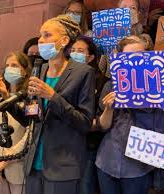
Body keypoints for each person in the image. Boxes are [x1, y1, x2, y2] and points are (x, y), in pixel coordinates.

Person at [2, 14, 95, 194]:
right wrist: (7, 97)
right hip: (34, 162)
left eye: (47, 35)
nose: (41, 40)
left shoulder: (83, 73)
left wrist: (53, 97)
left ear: (64, 40)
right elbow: (30, 118)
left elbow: (84, 122)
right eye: (40, 35)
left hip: (62, 166)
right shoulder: (40, 69)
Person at [96, 36, 158, 194]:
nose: (134, 61)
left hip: (139, 166)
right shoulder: (110, 85)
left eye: (140, 56)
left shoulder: (158, 88)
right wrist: (109, 108)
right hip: (107, 161)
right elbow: (103, 127)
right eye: (128, 57)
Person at [0, 51, 32, 194]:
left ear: (25, 71)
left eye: (14, 65)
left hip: (16, 168)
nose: (9, 68)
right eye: (7, 65)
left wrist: (5, 161)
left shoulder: (29, 98)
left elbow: (30, 134)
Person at [70, 36, 108, 194]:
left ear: (91, 57)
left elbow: (100, 121)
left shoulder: (101, 82)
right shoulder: (67, 78)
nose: (74, 54)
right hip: (68, 145)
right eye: (72, 51)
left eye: (80, 51)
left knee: (86, 188)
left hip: (89, 146)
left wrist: (78, 121)